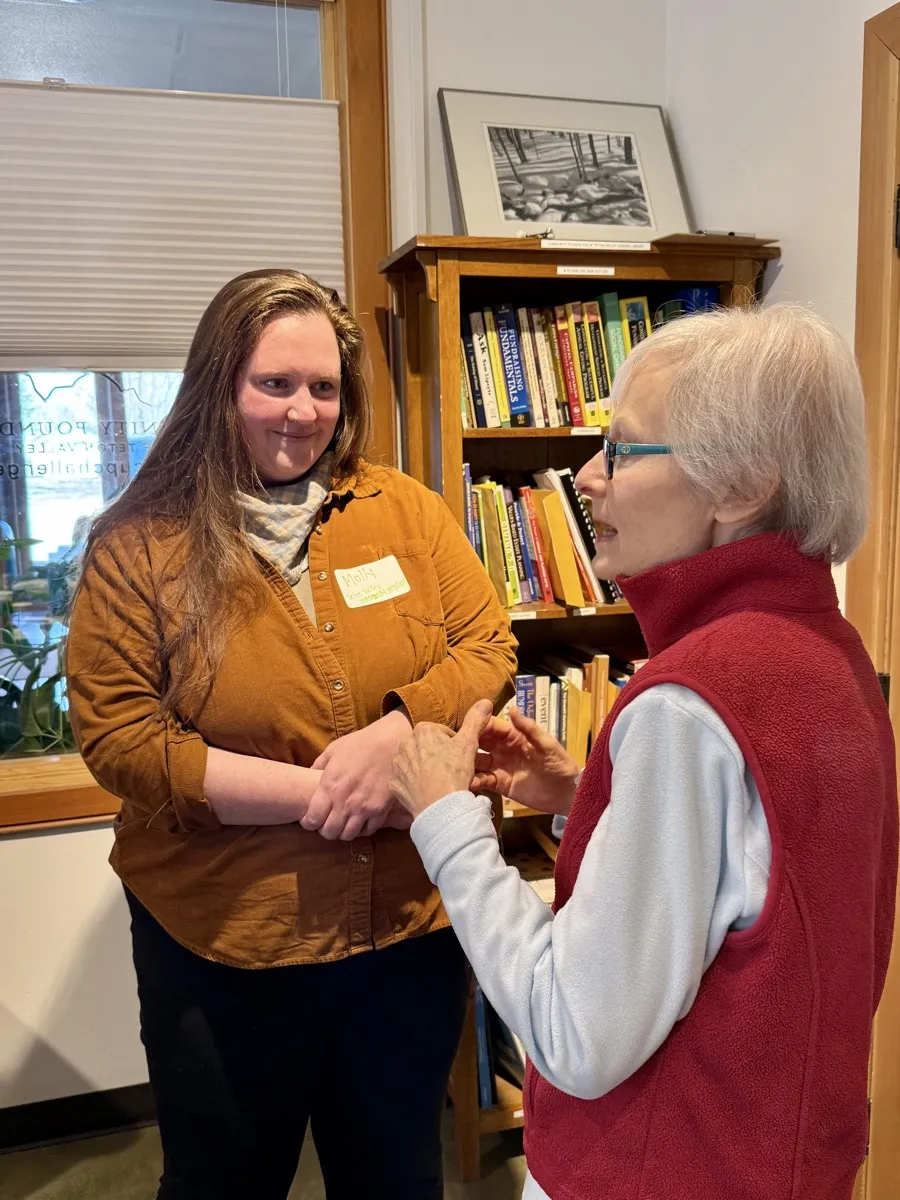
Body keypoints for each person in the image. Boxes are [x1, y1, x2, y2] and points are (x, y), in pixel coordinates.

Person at [389, 304, 898, 1200]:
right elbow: (762, 881)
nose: (588, 478)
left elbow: (575, 1033)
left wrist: (446, 825)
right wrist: (587, 794)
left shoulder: (692, 698)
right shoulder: (828, 652)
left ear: (742, 484)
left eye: (621, 451)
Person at [65, 269, 517, 1200]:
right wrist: (330, 794)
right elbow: (122, 737)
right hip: (225, 948)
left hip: (403, 937)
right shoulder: (138, 543)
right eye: (274, 383)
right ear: (219, 384)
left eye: (323, 387)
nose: (302, 411)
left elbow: (488, 643)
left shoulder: (406, 510)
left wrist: (396, 735)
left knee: (396, 1180)